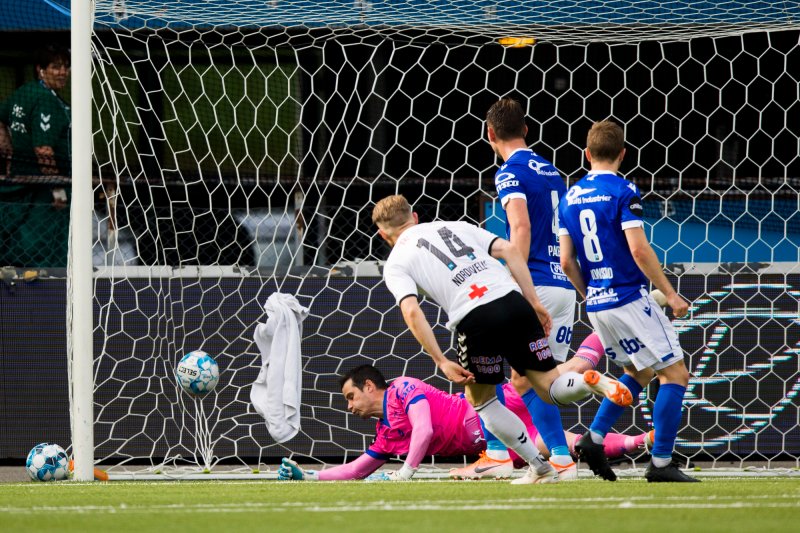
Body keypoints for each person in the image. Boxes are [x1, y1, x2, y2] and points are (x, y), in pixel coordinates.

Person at [366, 194, 631, 484]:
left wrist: (440, 359)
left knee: (482, 401)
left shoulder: (395, 262)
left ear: (382, 233)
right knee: (546, 384)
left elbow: (411, 310)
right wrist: (533, 302)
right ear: (414, 216)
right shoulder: (454, 225)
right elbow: (509, 250)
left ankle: (539, 467)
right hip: (514, 302)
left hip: (475, 319)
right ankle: (589, 382)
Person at [558, 120, 698, 483]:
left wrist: (590, 294)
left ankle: (593, 438)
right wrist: (669, 292)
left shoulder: (568, 198)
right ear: (622, 153)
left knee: (640, 371)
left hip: (598, 304)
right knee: (676, 374)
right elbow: (637, 247)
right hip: (629, 297)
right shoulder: (624, 191)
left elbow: (565, 261)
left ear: (586, 154)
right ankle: (663, 464)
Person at [277, 365, 653, 481]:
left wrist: (405, 472)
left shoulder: (404, 389)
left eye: (350, 396)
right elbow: (357, 469)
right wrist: (310, 477)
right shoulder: (385, 435)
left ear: (370, 386)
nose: (349, 406)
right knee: (562, 442)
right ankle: (640, 442)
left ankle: (593, 360)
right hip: (496, 440)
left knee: (540, 380)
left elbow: (423, 430)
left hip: (487, 410)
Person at [484, 97, 580, 476]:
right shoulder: (552, 171)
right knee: (536, 380)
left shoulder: (509, 173)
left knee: (484, 357)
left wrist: (513, 279)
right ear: (525, 129)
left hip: (534, 284)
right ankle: (560, 458)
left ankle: (496, 454)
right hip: (561, 286)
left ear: (490, 134)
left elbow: (520, 227)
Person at [0, 44, 71, 268]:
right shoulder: (45, 100)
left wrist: (10, 156)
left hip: (19, 184)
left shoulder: (24, 92)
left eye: (67, 67)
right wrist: (57, 189)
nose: (63, 72)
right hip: (43, 191)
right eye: (56, 67)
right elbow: (44, 150)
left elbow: (1, 120)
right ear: (41, 69)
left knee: (16, 241)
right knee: (43, 250)